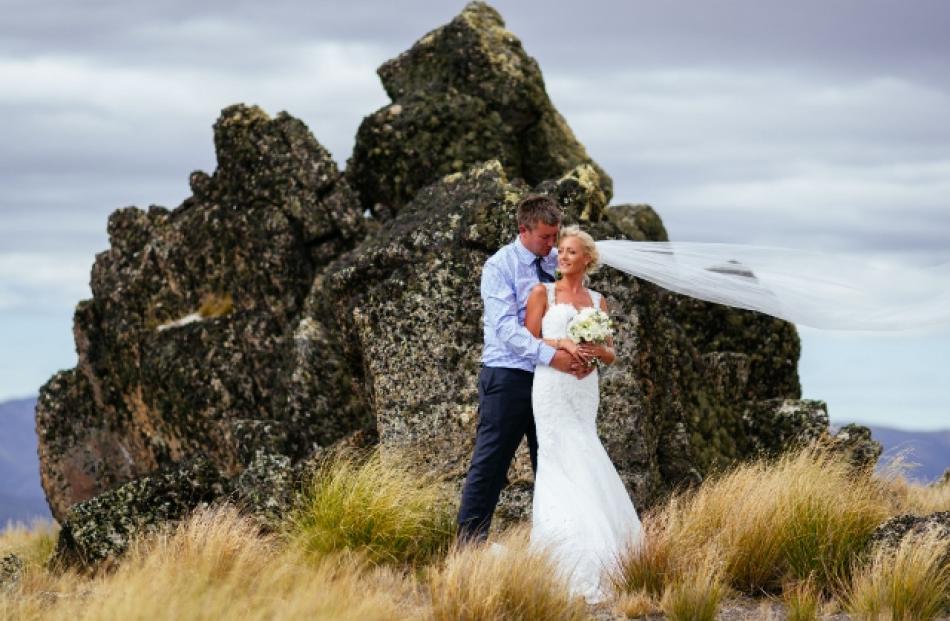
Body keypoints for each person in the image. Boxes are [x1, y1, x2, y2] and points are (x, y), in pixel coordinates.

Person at [456, 195, 591, 545]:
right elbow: (506, 330)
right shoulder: (499, 266)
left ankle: (559, 547)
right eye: (546, 237)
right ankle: (469, 546)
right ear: (523, 230)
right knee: (491, 462)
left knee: (552, 461)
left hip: (552, 383)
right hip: (508, 375)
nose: (552, 245)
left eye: (555, 237)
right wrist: (551, 356)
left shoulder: (556, 262)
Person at [526, 226, 642, 604]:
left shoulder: (597, 300)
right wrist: (561, 342)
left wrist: (594, 352)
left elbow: (611, 353)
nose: (563, 256)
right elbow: (528, 341)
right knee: (556, 456)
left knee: (585, 449)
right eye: (560, 250)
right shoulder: (542, 292)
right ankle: (562, 554)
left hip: (583, 388)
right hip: (551, 387)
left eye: (571, 252)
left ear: (586, 259)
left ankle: (607, 550)